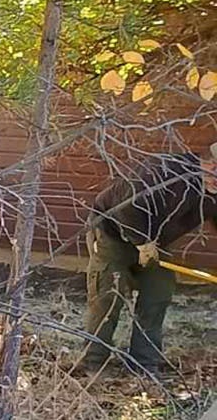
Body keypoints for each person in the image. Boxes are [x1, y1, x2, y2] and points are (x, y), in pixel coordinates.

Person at [79, 145, 217, 375]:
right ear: (208, 163)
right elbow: (126, 208)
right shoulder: (163, 171)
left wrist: (150, 245)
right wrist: (142, 243)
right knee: (109, 296)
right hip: (113, 233)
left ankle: (144, 364)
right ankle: (92, 363)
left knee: (158, 293)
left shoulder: (213, 189)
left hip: (156, 242)